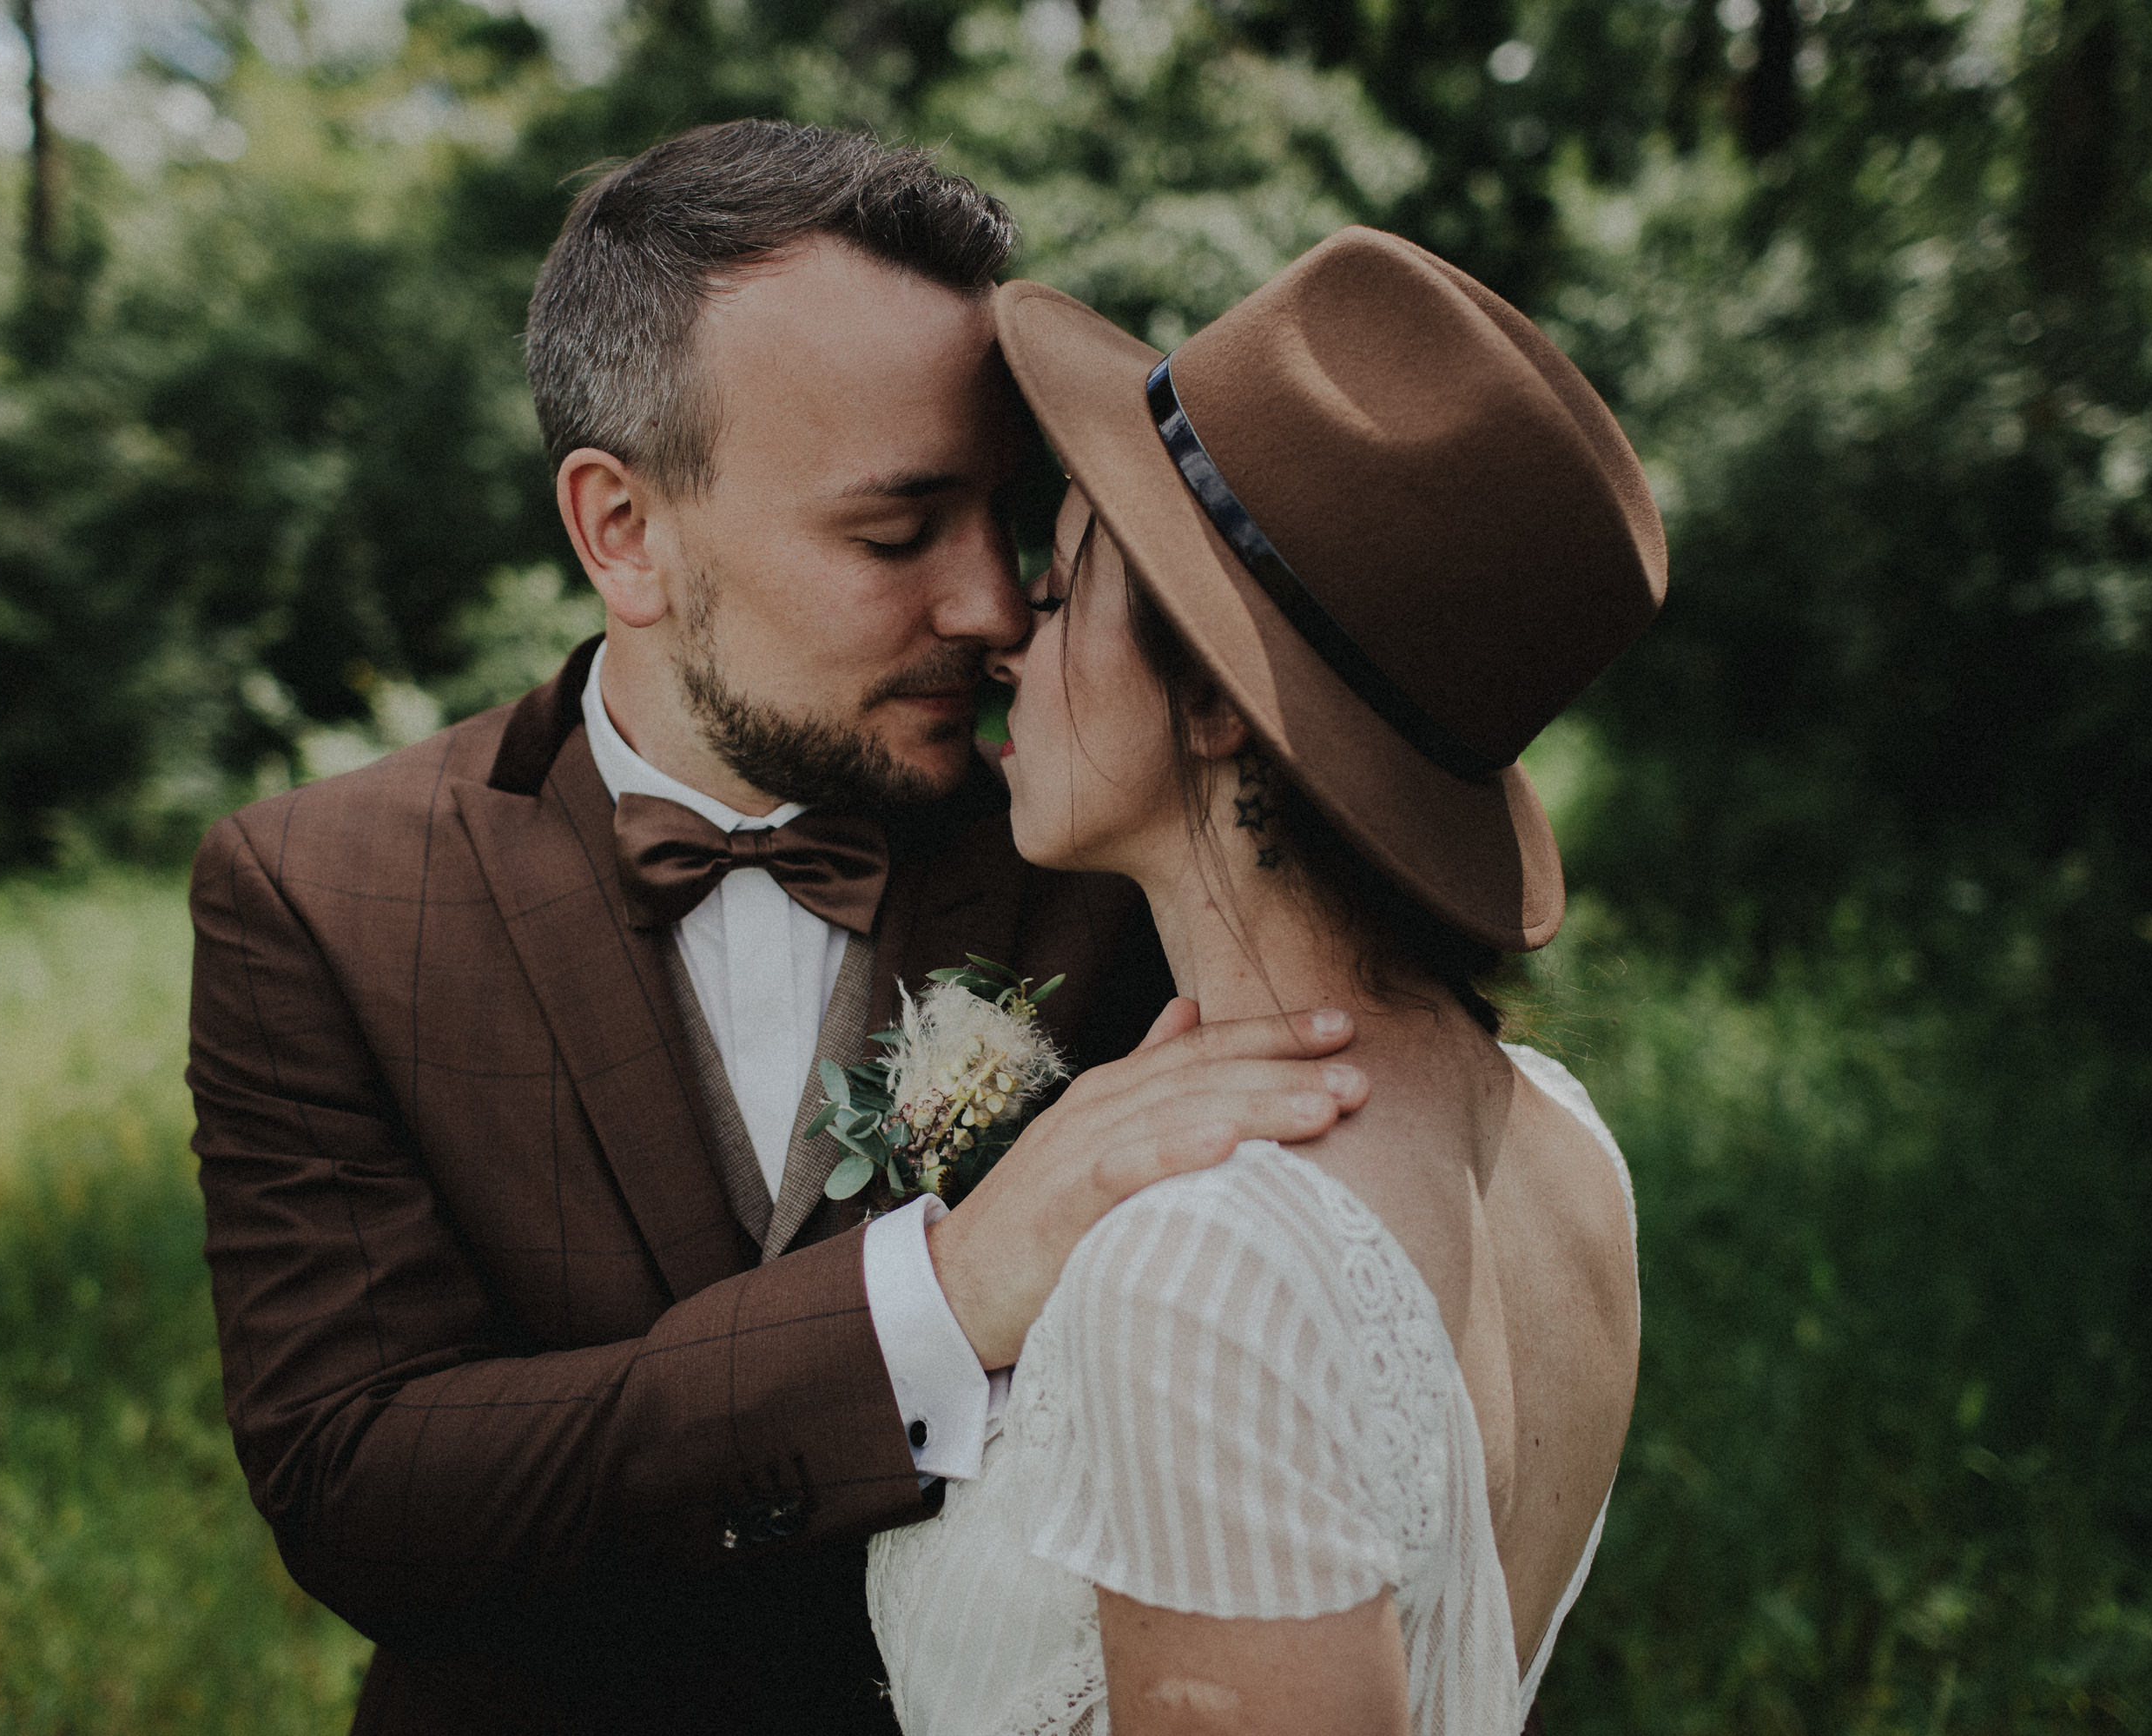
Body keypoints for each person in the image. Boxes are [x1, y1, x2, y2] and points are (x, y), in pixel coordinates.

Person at [185, 121, 1376, 1734]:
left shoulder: (1103, 838)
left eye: (1007, 517)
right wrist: (938, 1298)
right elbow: (362, 1491)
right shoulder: (320, 895)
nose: (994, 605)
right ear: (624, 532)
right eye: (895, 533)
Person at [866, 228, 1666, 1733]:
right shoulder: (1564, 1143)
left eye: (1062, 591)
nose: (1008, 651)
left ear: (1220, 702)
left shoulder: (1202, 1268)